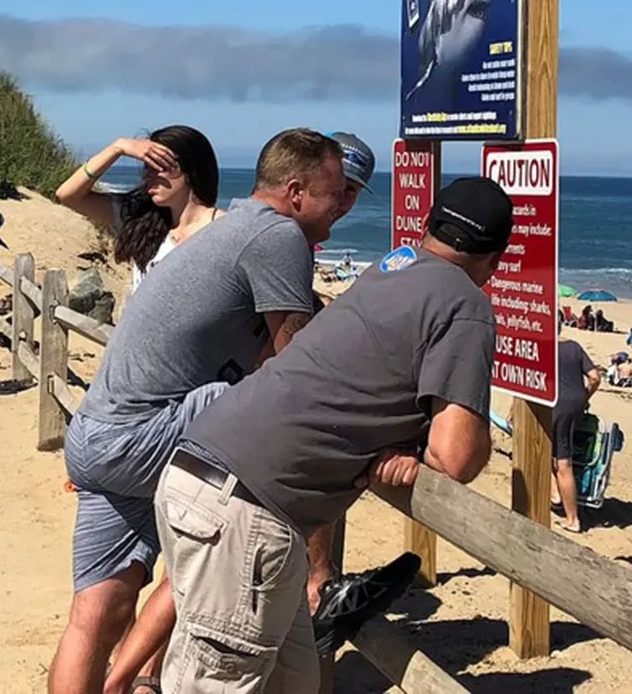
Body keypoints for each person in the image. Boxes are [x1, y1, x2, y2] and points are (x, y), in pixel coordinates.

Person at [152, 176, 506, 692]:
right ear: (494, 261)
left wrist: (403, 441)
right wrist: (422, 447)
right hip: (249, 510)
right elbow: (456, 456)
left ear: (428, 228)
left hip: (201, 469)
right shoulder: (466, 303)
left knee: (292, 680)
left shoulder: (389, 270)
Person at [48, 129, 355, 694]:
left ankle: (125, 677)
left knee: (96, 616)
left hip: (96, 434)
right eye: (334, 192)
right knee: (237, 419)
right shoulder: (278, 236)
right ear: (294, 193)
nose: (343, 203)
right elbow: (294, 366)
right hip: (136, 438)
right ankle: (314, 583)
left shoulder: (236, 227)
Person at [54, 127, 223, 298]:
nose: (148, 176)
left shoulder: (222, 228)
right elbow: (67, 195)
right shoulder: (142, 217)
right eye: (147, 167)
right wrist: (117, 148)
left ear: (190, 171)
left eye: (159, 166)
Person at [551, 321, 601, 533]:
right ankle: (555, 495)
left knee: (563, 461)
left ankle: (572, 519)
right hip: (575, 404)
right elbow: (595, 377)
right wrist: (584, 396)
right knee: (551, 451)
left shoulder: (544, 345)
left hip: (556, 404)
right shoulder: (574, 347)